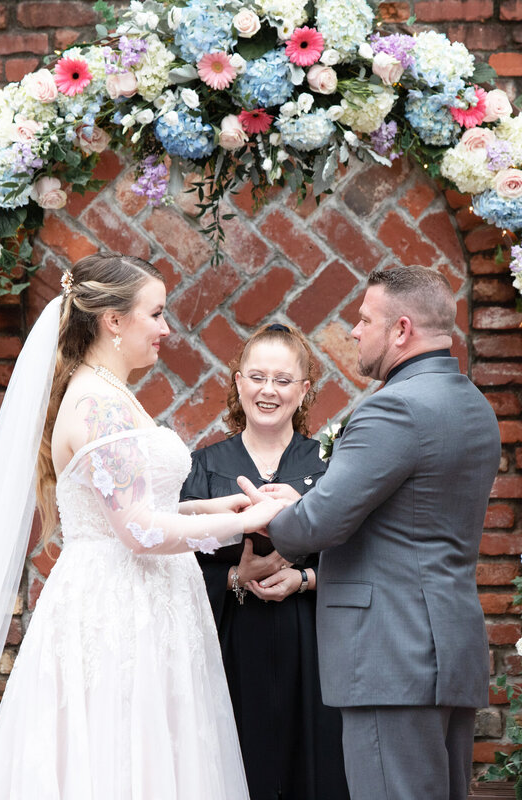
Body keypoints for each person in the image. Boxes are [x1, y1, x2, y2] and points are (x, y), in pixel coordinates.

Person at [0, 253, 284, 800]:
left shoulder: (110, 394)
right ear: (114, 320)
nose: (165, 328)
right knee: (117, 758)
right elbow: (136, 531)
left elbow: (141, 506)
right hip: (117, 606)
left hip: (146, 598)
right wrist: (252, 521)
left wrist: (225, 507)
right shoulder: (98, 406)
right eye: (155, 314)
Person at [241, 265, 502, 800]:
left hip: (391, 652)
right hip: (446, 646)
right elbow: (403, 511)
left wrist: (264, 517)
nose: (355, 331)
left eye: (365, 319)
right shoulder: (474, 406)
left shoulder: (395, 408)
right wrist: (309, 501)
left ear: (401, 330)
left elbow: (320, 523)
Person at [181, 323, 351, 800]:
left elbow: (360, 556)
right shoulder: (203, 467)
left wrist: (305, 579)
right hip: (230, 643)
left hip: (313, 647)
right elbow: (176, 564)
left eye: (282, 379)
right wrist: (237, 576)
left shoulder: (333, 467)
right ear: (238, 382)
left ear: (304, 389)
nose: (268, 390)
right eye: (257, 377)